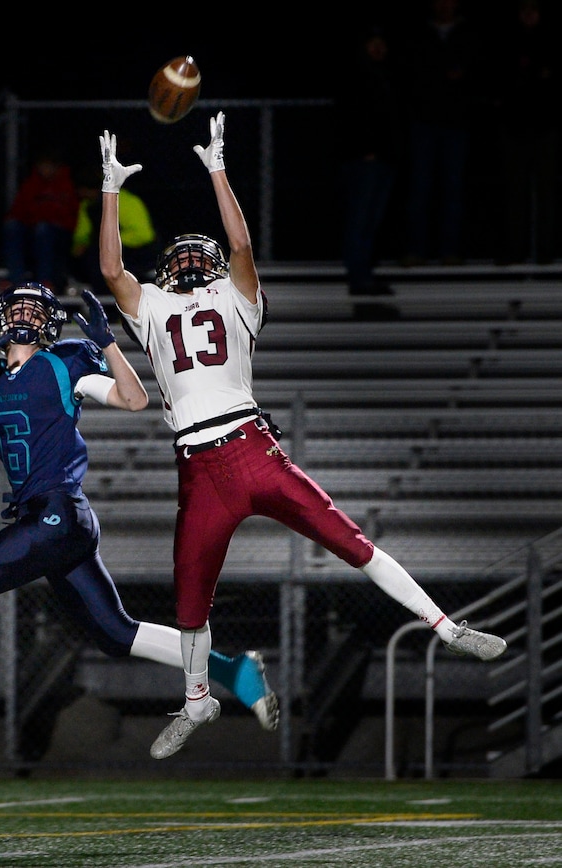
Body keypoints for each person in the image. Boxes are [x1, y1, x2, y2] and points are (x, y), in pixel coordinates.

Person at [97, 112, 508, 761]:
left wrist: (216, 170)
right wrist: (111, 189)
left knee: (351, 541)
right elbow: (112, 267)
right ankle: (199, 699)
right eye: (175, 258)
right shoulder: (154, 307)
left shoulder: (237, 297)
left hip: (247, 447)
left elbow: (239, 247)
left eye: (190, 256)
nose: (181, 263)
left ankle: (446, 626)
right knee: (188, 602)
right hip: (200, 467)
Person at [0, 282, 278, 757]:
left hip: (59, 512)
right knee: (116, 633)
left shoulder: (63, 362)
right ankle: (232, 670)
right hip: (44, 518)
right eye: (18, 308)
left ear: (51, 323)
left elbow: (134, 400)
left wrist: (110, 343)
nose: (26, 317)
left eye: (36, 309)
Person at [400, 0, 482, 267]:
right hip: (424, 121)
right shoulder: (420, 34)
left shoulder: (467, 34)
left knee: (453, 190)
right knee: (420, 189)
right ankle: (416, 250)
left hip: (456, 123)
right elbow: (413, 73)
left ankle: (450, 251)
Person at [334, 23, 402, 318]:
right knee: (360, 220)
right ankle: (358, 277)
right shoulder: (356, 77)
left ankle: (366, 274)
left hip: (384, 158)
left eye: (381, 42)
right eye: (373, 42)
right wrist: (366, 149)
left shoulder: (387, 75)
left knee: (371, 221)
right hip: (363, 159)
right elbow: (351, 118)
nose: (379, 48)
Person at [492, 0, 559, 266]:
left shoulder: (551, 41)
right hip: (515, 126)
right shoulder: (508, 42)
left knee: (546, 192)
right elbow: (502, 80)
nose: (529, 15)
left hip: (545, 126)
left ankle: (545, 249)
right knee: (515, 191)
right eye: (524, 10)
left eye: (534, 10)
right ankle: (515, 248)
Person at [2, 147, 80, 292]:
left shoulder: (66, 184)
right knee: (12, 227)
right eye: (42, 165)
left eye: (48, 165)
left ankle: (46, 280)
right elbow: (19, 210)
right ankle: (15, 280)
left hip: (59, 233)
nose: (45, 169)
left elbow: (68, 215)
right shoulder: (32, 184)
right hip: (33, 229)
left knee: (43, 230)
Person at [71, 165, 158, 294]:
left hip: (136, 253)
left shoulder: (124, 201)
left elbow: (144, 235)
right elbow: (82, 235)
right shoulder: (88, 205)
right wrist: (80, 245)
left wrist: (109, 242)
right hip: (102, 254)